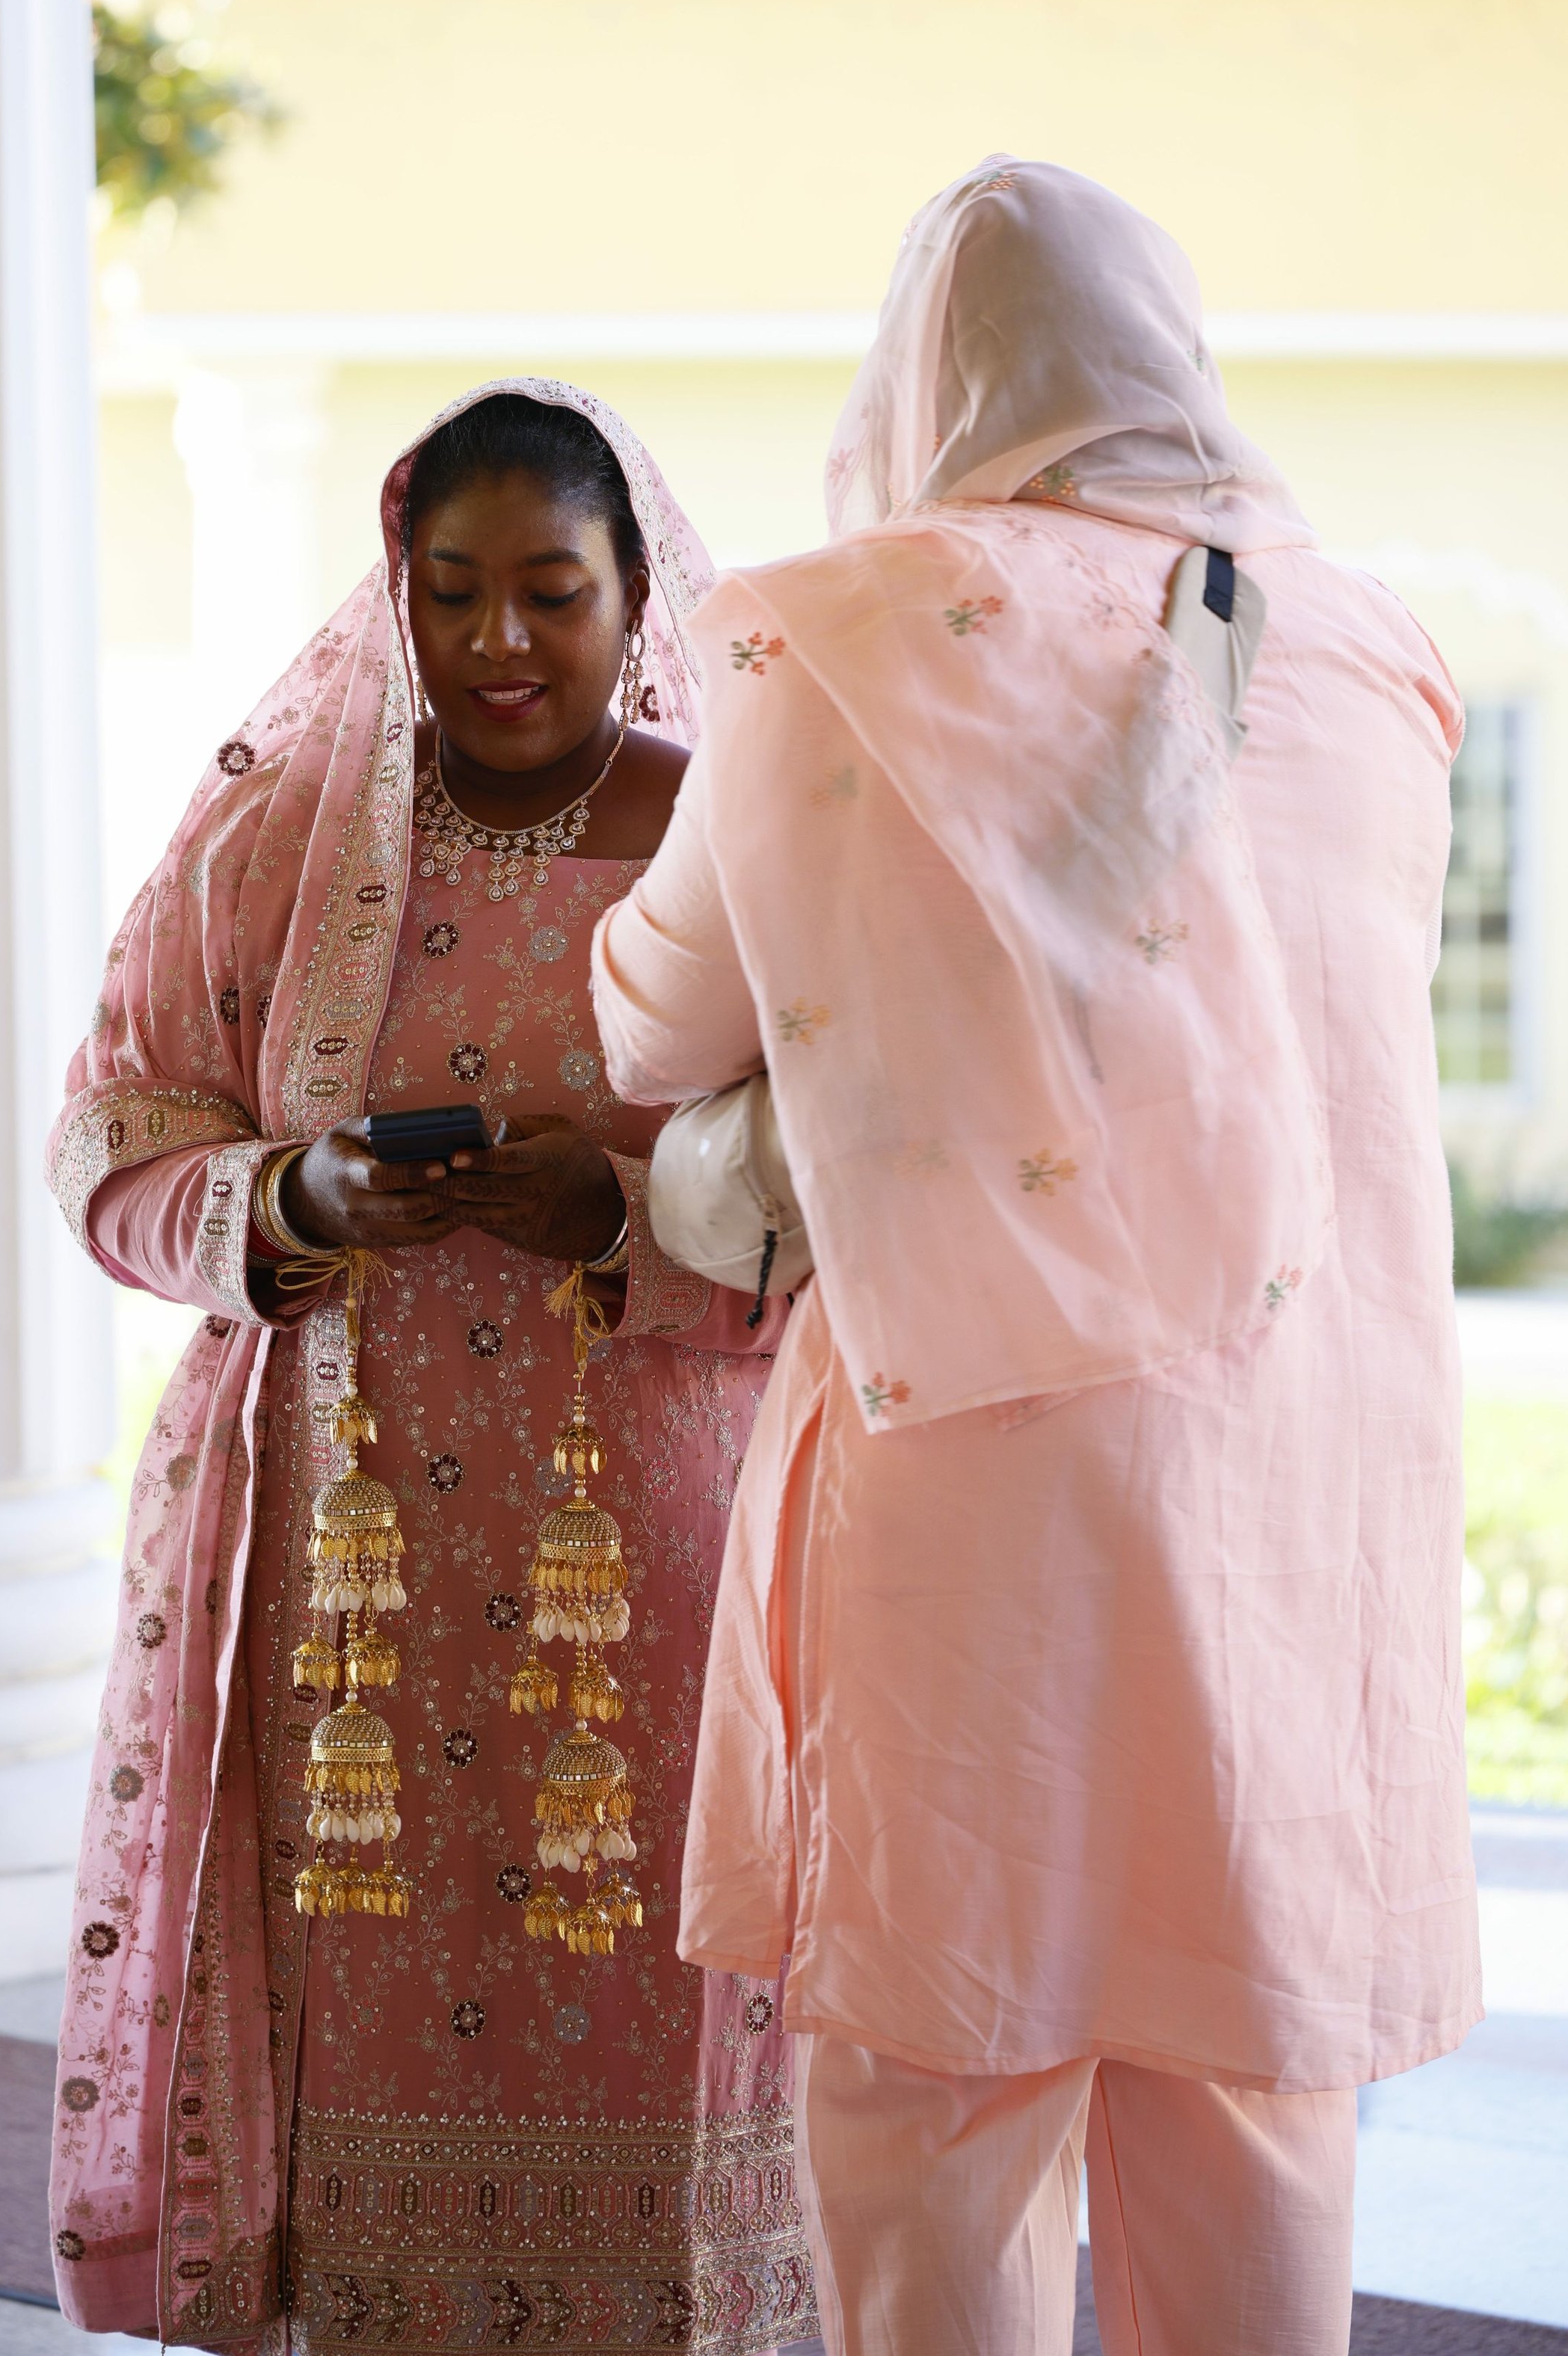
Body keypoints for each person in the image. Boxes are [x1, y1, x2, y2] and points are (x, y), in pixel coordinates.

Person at [591, 162, 1481, 2356]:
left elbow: (654, 1020)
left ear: (923, 373)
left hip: (978, 1454)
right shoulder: (1374, 650)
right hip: (1294, 1472)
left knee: (936, 2089)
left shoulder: (841, 636)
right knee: (1247, 2069)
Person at [46, 382, 814, 2353]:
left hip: (656, 1560)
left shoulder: (740, 847)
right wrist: (288, 1191)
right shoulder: (278, 841)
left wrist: (618, 1217)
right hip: (347, 1604)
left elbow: (855, 1209)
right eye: (451, 589)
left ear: (632, 592)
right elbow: (108, 1156)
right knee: (366, 2001)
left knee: (657, 1998)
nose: (495, 639)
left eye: (548, 590)